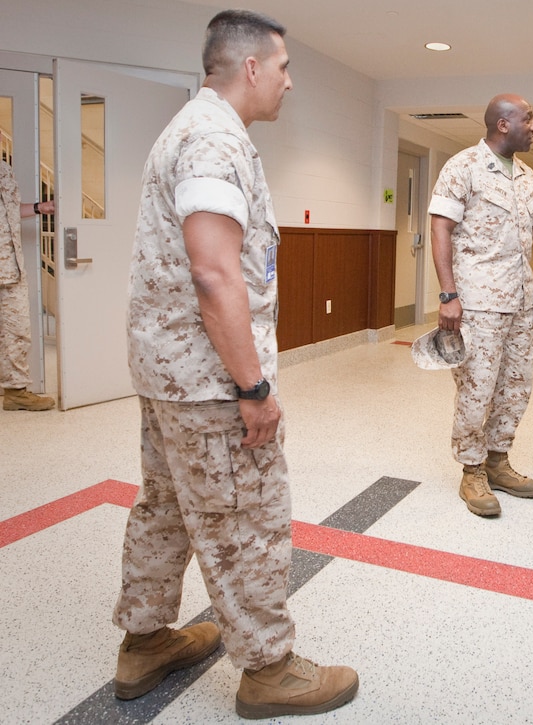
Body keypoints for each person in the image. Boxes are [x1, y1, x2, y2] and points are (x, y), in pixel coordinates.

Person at [112, 9, 357, 718]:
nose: (289, 83)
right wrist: (252, 388)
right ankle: (270, 669)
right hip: (210, 385)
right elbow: (215, 274)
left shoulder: (190, 130)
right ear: (251, 68)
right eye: (283, 68)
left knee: (167, 506)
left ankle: (146, 639)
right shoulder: (213, 140)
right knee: (245, 516)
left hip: (170, 378)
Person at [428, 93, 533, 517]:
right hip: (478, 302)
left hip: (521, 301)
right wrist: (448, 294)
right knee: (477, 387)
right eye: (529, 119)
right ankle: (471, 470)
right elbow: (440, 227)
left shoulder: (526, 174)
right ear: (503, 124)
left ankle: (497, 460)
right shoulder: (463, 166)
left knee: (516, 386)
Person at [0, 159, 56, 411]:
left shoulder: (3, 168)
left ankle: (16, 392)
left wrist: (38, 208)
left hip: (9, 266)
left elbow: (8, 211)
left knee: (16, 329)